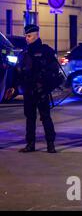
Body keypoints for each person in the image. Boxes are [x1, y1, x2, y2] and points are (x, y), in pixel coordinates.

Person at [5, 25, 60, 153]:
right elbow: (18, 73)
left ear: (36, 35)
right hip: (28, 91)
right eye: (26, 36)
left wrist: (45, 87)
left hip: (41, 91)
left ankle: (50, 144)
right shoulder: (25, 53)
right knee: (30, 118)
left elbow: (54, 72)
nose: (27, 38)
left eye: (29, 36)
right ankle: (30, 144)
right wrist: (13, 87)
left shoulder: (46, 51)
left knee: (45, 117)